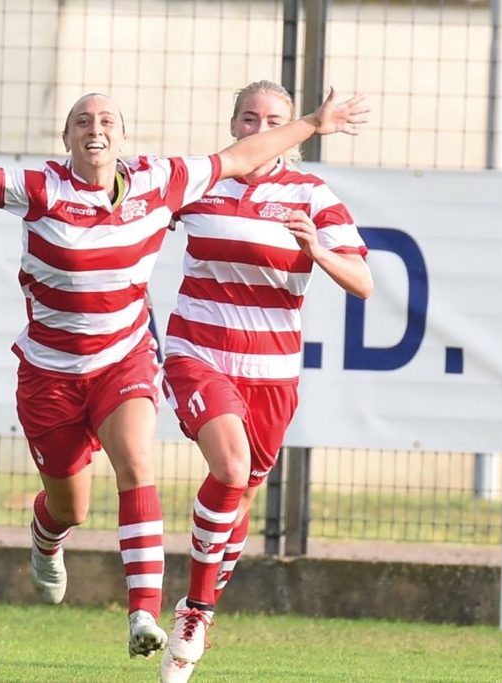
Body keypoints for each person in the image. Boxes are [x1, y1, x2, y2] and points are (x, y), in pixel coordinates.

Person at [0, 84, 366, 659]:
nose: (94, 128)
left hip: (123, 361)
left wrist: (313, 123)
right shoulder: (41, 188)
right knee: (70, 505)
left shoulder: (161, 182)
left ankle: (144, 616)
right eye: (81, 120)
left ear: (123, 137)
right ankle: (47, 536)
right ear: (67, 137)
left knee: (137, 460)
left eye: (106, 120)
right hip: (50, 373)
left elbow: (244, 157)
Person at [158, 80, 373, 681]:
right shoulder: (200, 183)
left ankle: (201, 609)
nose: (258, 128)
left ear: (289, 130)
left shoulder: (311, 194)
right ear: (232, 126)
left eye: (271, 118)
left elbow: (363, 282)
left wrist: (318, 250)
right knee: (228, 468)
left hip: (273, 372)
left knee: (241, 494)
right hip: (198, 352)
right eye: (248, 118)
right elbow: (135, 209)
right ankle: (195, 610)